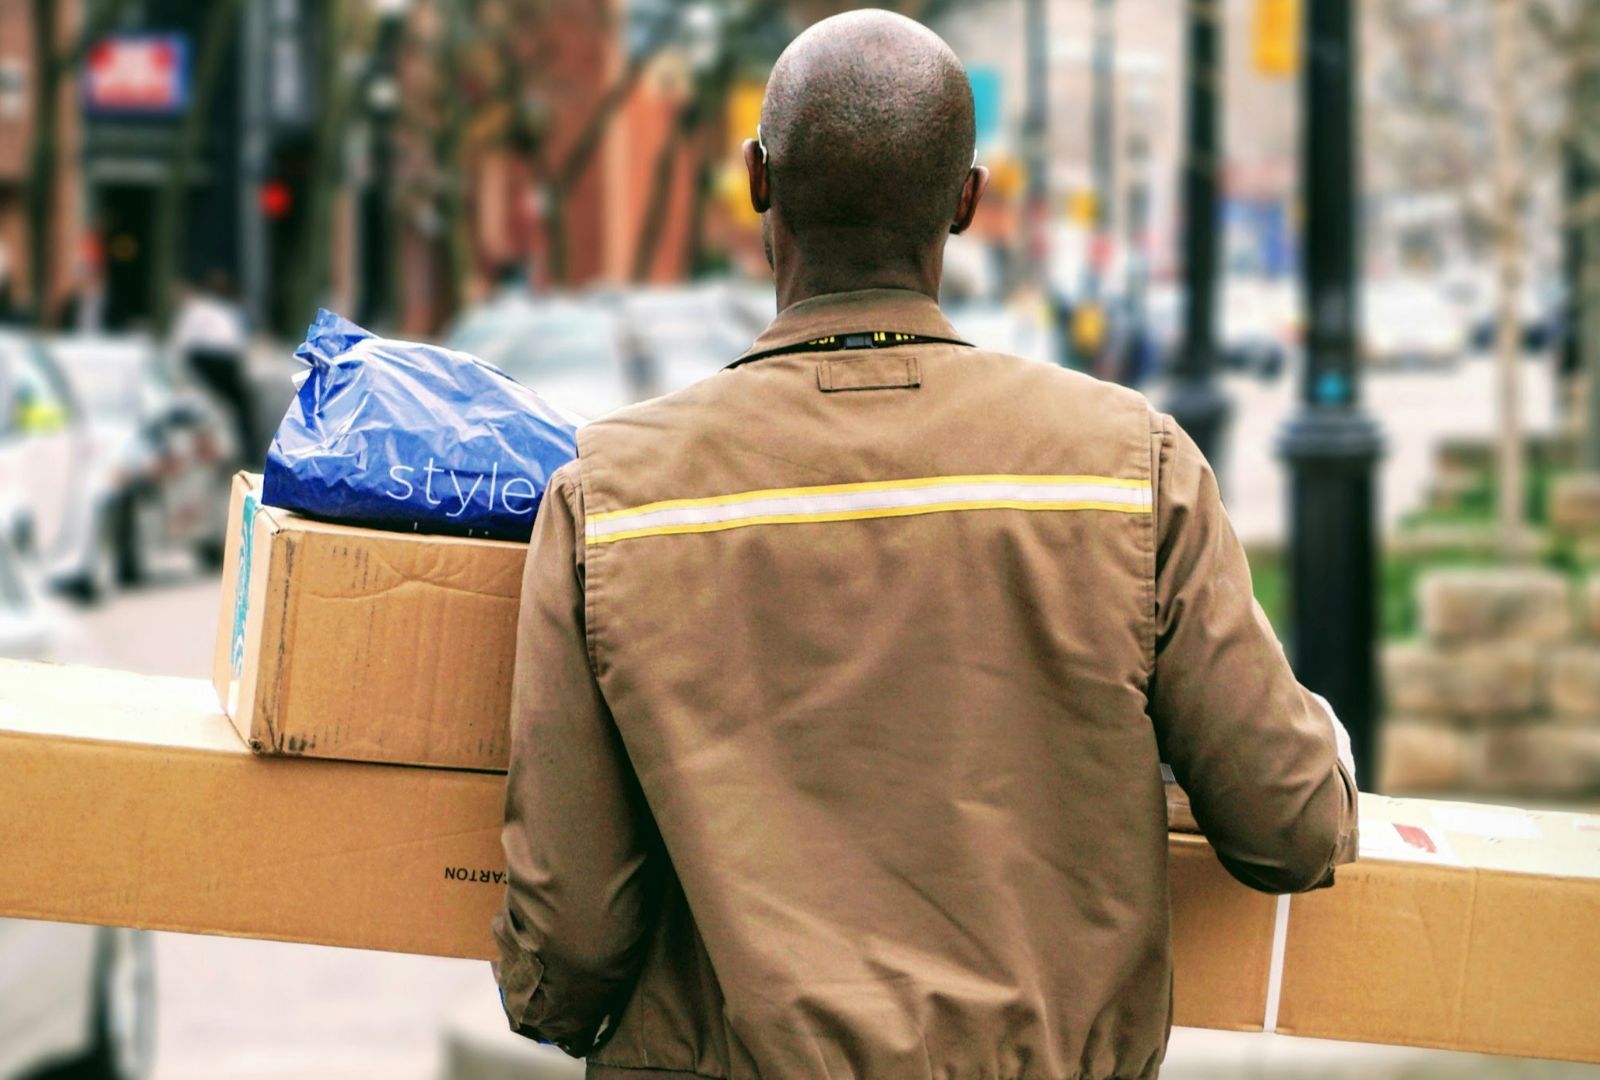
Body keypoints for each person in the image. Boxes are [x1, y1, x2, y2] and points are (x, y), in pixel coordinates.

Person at [490, 11, 1357, 1080]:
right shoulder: (1132, 469)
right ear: (966, 201)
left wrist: (563, 1011)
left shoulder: (611, 497)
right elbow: (1289, 827)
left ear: (758, 180)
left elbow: (570, 937)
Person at [169, 270, 257, 464]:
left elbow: (180, 344)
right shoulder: (219, 309)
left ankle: (242, 451)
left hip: (211, 360)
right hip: (217, 360)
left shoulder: (200, 308)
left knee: (232, 406)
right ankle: (245, 452)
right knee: (236, 406)